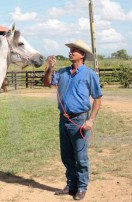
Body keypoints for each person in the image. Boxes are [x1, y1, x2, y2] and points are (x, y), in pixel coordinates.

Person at [43, 39, 102, 200]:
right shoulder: (62, 72)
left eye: (74, 50)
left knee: (80, 157)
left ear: (82, 55)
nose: (71, 52)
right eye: (70, 50)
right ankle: (71, 185)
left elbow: (97, 98)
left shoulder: (89, 74)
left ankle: (82, 187)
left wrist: (91, 120)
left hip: (80, 120)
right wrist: (50, 68)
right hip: (64, 120)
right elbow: (47, 83)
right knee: (66, 156)